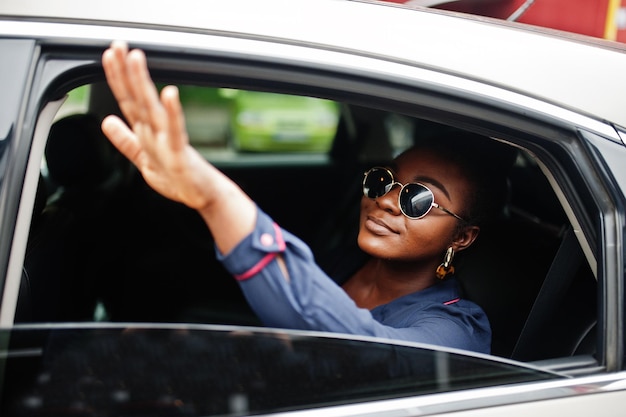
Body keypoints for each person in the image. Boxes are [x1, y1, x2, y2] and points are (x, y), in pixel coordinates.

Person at [100, 41, 508, 354]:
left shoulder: (456, 330)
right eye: (384, 180)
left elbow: (361, 347)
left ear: (462, 237)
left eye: (418, 199)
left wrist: (215, 198)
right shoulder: (352, 262)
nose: (384, 201)